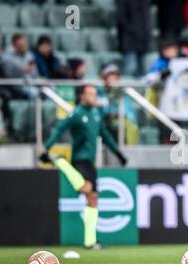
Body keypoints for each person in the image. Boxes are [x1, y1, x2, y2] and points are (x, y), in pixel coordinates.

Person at [39, 85, 128, 249]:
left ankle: (90, 241)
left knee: (93, 198)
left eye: (94, 94)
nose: (93, 97)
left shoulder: (96, 114)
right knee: (87, 189)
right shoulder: (76, 114)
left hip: (91, 162)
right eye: (90, 94)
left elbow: (106, 136)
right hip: (80, 160)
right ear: (81, 96)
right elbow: (59, 129)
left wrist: (118, 153)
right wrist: (47, 148)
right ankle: (60, 162)